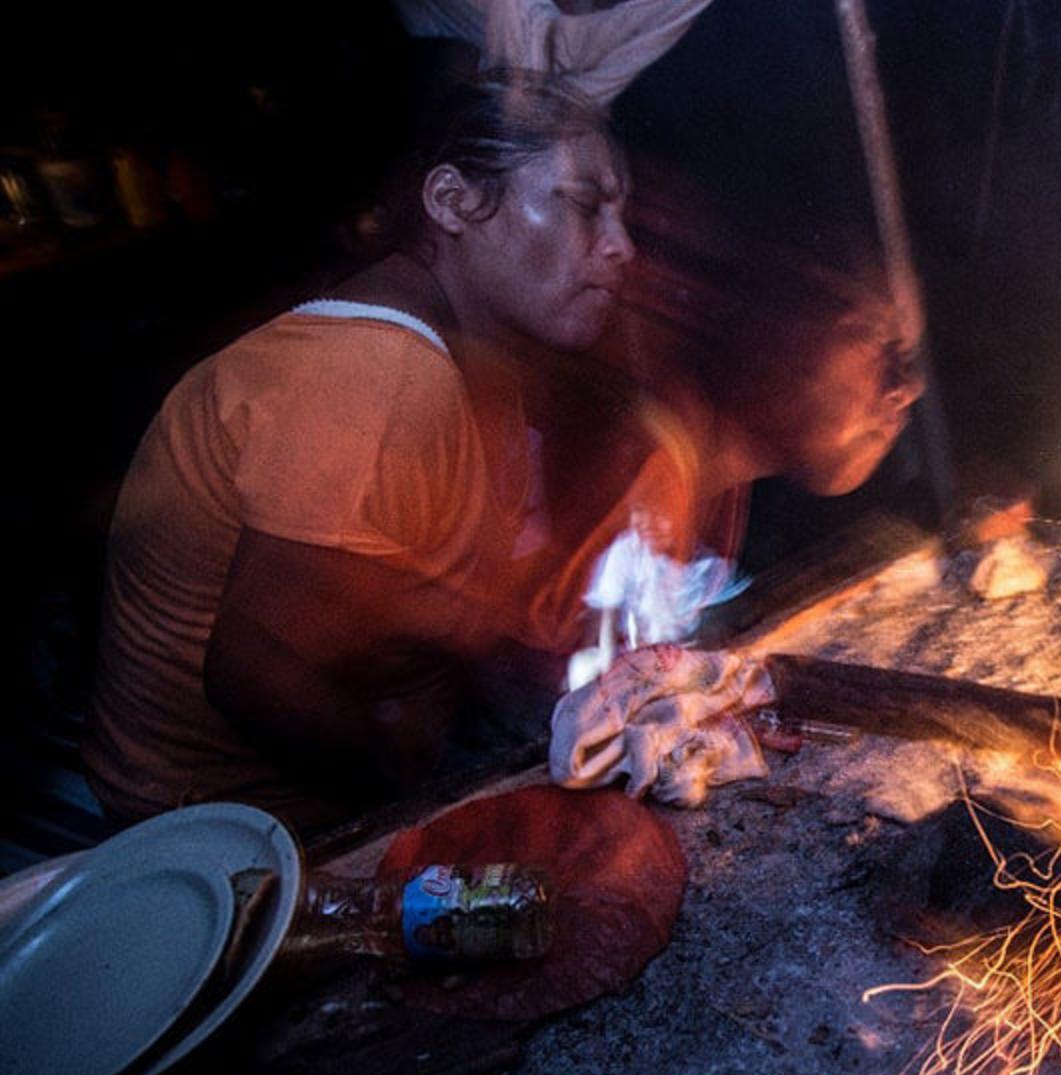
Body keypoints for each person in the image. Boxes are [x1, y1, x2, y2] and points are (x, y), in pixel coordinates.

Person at [83, 71, 922, 831]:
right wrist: (438, 791)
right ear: (452, 202)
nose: (622, 246)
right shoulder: (376, 369)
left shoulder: (474, 360)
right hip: (224, 836)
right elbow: (257, 674)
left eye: (623, 213)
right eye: (584, 205)